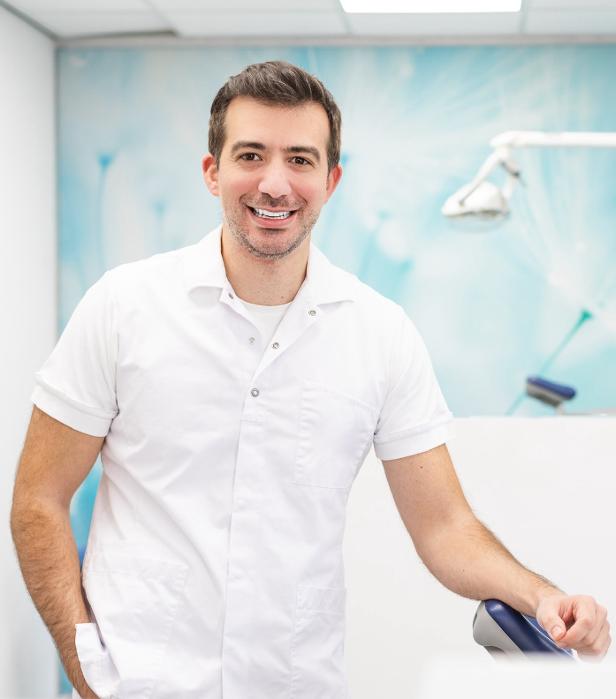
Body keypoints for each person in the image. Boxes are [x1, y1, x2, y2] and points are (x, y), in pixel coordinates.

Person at [11, 60, 610, 699]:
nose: (275, 184)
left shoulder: (380, 333)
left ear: (331, 180)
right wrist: (87, 671)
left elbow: (444, 527)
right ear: (212, 171)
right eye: (250, 155)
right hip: (141, 686)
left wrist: (542, 597)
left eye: (300, 159)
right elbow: (38, 500)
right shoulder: (123, 306)